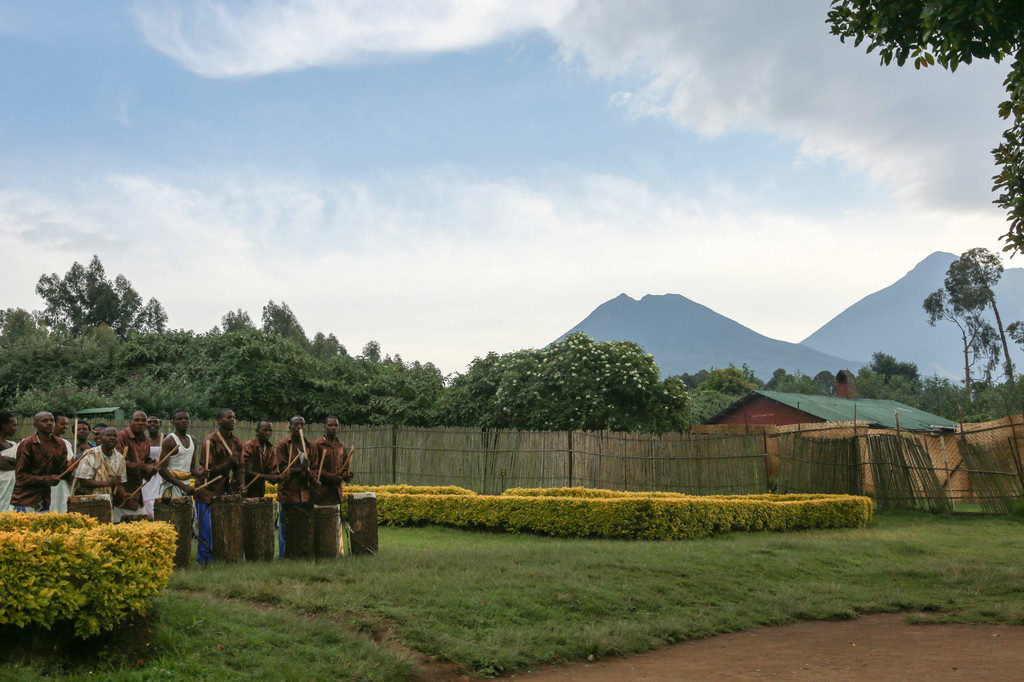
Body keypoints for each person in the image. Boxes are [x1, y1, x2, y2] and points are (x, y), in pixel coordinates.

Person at [195, 408, 242, 564]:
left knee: (223, 527)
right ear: (219, 420)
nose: (233, 420)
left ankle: (223, 557)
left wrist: (240, 483)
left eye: (234, 417)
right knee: (206, 529)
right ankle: (205, 561)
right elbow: (208, 472)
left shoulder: (236, 442)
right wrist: (229, 462)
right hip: (207, 490)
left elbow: (239, 468)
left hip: (224, 489)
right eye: (229, 417)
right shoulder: (210, 442)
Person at [269, 415, 313, 558]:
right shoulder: (283, 445)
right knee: (285, 525)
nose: (299, 427)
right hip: (288, 493)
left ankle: (301, 554)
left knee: (302, 526)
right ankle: (284, 555)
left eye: (302, 424)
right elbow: (283, 470)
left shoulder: (309, 446)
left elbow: (311, 471)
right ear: (290, 427)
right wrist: (301, 468)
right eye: (296, 425)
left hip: (304, 493)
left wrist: (309, 473)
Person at [10, 412, 67, 512]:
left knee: (42, 526)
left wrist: (71, 467)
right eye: (44, 421)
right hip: (25, 499)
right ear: (35, 425)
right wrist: (47, 479)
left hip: (45, 498)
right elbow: (21, 476)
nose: (50, 423)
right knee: (22, 527)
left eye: (52, 420)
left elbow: (60, 472)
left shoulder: (60, 443)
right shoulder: (27, 444)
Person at [74, 426, 130, 521]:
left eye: (115, 436)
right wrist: (109, 483)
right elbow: (84, 482)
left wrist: (124, 495)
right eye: (108, 435)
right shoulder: (90, 454)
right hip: (86, 503)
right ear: (100, 438)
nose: (112, 438)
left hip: (107, 503)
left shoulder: (120, 458)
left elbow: (118, 483)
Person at [116, 411, 154, 522]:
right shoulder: (122, 436)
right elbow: (119, 462)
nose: (140, 423)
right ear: (130, 422)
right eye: (137, 420)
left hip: (138, 492)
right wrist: (143, 467)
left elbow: (146, 462)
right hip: (122, 489)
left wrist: (153, 467)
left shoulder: (146, 441)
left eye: (143, 420)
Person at [309, 416, 353, 508]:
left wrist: (347, 475)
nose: (333, 428)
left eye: (336, 425)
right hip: (321, 494)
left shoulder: (341, 446)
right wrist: (331, 477)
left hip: (336, 494)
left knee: (335, 521)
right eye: (330, 425)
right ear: (325, 427)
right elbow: (314, 469)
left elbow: (345, 467)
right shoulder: (317, 445)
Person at [157, 409, 197, 500]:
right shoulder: (169, 440)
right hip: (171, 487)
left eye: (186, 418)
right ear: (173, 422)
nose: (184, 421)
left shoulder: (193, 440)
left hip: (186, 486)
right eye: (180, 419)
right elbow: (162, 469)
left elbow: (192, 469)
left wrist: (201, 474)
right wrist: (183, 486)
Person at [238, 420, 278, 499]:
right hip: (244, 489)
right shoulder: (249, 446)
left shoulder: (270, 449)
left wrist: (277, 477)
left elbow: (272, 471)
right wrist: (269, 477)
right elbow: (247, 471)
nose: (268, 433)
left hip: (258, 491)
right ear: (257, 431)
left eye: (270, 430)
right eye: (265, 430)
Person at [49, 411, 76, 513]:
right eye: (62, 424)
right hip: (50, 485)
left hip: (63, 486)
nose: (66, 426)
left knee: (62, 511)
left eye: (67, 424)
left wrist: (70, 471)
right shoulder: (39, 442)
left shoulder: (66, 443)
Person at [141, 413, 164, 516]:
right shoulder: (143, 441)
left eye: (155, 422)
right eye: (149, 422)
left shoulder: (165, 439)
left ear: (160, 423)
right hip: (148, 475)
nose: (152, 424)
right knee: (147, 500)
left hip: (163, 474)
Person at [0, 410, 20, 510]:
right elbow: (2, 464)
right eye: (13, 425)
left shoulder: (12, 445)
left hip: (11, 490)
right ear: (4, 425)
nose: (16, 429)